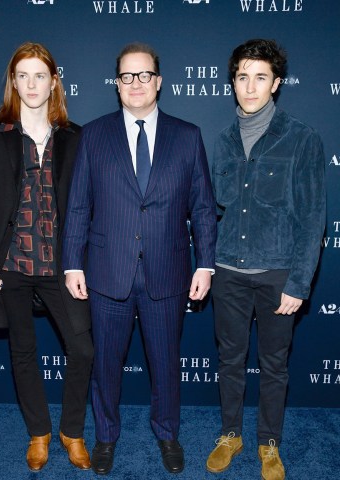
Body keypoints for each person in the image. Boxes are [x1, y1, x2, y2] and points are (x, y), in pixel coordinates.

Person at [62, 42, 216, 475]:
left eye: (144, 75)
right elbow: (78, 205)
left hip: (167, 274)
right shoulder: (93, 135)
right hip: (107, 273)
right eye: (127, 76)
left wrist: (205, 263)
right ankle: (106, 436)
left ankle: (168, 434)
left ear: (159, 82)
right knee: (105, 365)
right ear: (117, 83)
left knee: (166, 364)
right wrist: (73, 263)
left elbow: (203, 206)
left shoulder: (188, 136)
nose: (135, 83)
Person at [0, 42, 93, 472]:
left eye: (41, 75)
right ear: (13, 81)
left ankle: (70, 431)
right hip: (10, 265)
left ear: (54, 80)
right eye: (24, 75)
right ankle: (38, 433)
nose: (32, 83)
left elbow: (87, 207)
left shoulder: (75, 136)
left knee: (83, 349)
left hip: (62, 265)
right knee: (22, 350)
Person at [206, 39, 326, 480]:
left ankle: (269, 443)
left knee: (274, 366)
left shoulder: (302, 139)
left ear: (276, 83)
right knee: (229, 361)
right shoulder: (221, 141)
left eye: (260, 77)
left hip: (278, 275)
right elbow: (213, 212)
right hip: (228, 273)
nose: (250, 87)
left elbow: (313, 218)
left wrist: (298, 283)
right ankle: (230, 434)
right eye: (242, 77)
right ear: (232, 82)